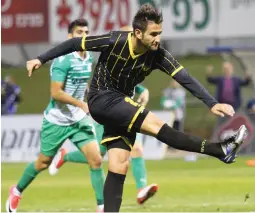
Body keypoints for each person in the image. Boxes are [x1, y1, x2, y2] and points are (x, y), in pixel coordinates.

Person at [26, 4, 248, 212]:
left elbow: (184, 77)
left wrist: (212, 103)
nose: (157, 39)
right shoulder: (115, 41)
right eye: (153, 34)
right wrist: (40, 58)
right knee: (158, 126)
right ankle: (220, 150)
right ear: (138, 33)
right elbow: (76, 44)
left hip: (120, 104)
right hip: (101, 99)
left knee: (119, 165)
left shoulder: (158, 55)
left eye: (159, 33)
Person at [6, 19, 105, 213]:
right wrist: (82, 104)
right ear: (70, 37)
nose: (84, 35)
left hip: (78, 119)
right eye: (79, 32)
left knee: (96, 160)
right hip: (57, 120)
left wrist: (89, 99)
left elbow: (80, 85)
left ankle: (102, 207)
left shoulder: (88, 57)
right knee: (43, 162)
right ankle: (16, 191)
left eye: (86, 31)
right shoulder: (63, 60)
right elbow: (56, 93)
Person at [49, 84, 158, 205]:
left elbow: (129, 79)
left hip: (124, 115)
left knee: (136, 149)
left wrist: (143, 90)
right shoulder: (105, 71)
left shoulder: (123, 68)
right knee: (97, 155)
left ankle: (141, 190)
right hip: (105, 115)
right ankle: (65, 156)